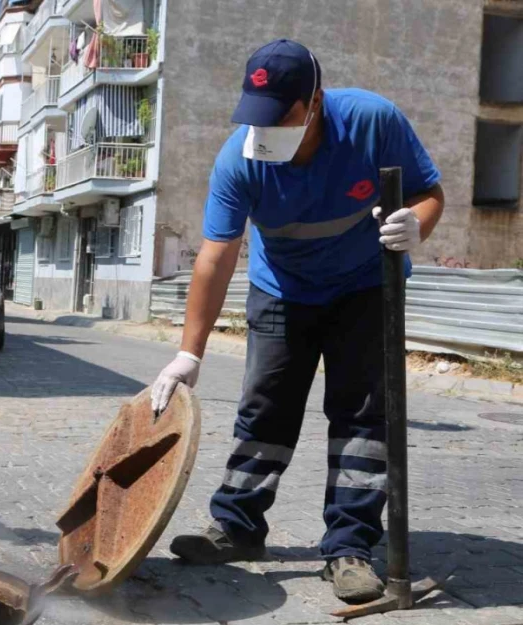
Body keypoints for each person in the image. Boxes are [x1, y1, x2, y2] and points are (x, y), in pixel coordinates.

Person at [151, 40, 444, 604]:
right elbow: (216, 255)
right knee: (266, 406)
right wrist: (190, 353)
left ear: (315, 102)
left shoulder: (372, 121)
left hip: (366, 287)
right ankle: (237, 526)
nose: (266, 131)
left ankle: (350, 546)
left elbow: (429, 192)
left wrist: (418, 226)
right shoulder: (239, 158)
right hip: (281, 289)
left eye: (281, 116)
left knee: (362, 415)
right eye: (257, 117)